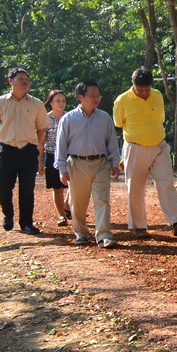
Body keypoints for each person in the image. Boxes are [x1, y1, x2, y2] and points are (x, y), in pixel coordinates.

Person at [112, 68, 177, 239]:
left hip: (159, 145)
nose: (144, 92)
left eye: (147, 89)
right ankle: (139, 227)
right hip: (135, 147)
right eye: (140, 89)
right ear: (133, 84)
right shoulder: (121, 101)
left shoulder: (157, 95)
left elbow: (161, 119)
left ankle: (176, 222)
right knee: (135, 189)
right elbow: (119, 123)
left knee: (166, 182)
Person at [54, 81, 121, 248]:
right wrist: (62, 169)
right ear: (80, 97)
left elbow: (111, 142)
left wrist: (114, 163)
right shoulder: (68, 119)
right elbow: (60, 145)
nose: (96, 98)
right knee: (78, 201)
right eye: (92, 95)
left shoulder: (104, 117)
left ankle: (104, 235)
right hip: (77, 164)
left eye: (98, 95)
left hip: (101, 163)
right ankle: (81, 233)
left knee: (102, 200)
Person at [0, 68, 48, 234]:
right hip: (6, 150)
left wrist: (37, 152)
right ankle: (8, 215)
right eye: (21, 78)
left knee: (27, 189)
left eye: (26, 79)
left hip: (28, 150)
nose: (25, 82)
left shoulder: (37, 104)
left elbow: (41, 129)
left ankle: (26, 223)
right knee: (2, 186)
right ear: (11, 81)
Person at [42, 89, 72, 226]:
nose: (61, 103)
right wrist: (38, 160)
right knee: (57, 188)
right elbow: (41, 141)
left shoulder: (70, 117)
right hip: (52, 156)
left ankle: (67, 205)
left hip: (69, 156)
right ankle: (61, 216)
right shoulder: (45, 119)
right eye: (58, 101)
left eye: (63, 101)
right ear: (50, 103)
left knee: (75, 185)